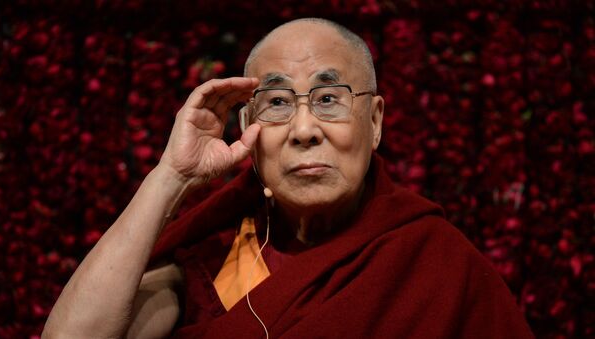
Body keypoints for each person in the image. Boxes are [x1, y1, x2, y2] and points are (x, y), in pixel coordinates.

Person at [43, 18, 534, 338]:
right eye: (277, 103)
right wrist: (170, 176)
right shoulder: (223, 247)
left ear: (376, 121)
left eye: (328, 99)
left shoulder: (438, 264)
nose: (303, 130)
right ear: (246, 129)